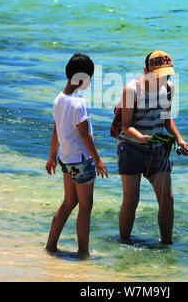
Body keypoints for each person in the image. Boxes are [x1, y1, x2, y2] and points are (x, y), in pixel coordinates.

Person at [117, 50, 188, 245]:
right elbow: (125, 126)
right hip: (131, 148)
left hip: (158, 150)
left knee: (167, 199)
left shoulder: (169, 88)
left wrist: (180, 139)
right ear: (145, 70)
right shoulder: (132, 89)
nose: (162, 79)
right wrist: (142, 137)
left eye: (166, 75)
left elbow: (167, 120)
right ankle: (124, 242)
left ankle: (167, 245)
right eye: (158, 75)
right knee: (132, 199)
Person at [45, 53, 108, 257]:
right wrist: (97, 160)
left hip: (65, 158)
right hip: (80, 161)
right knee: (86, 205)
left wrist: (52, 157)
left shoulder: (58, 99)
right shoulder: (78, 102)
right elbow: (85, 133)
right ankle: (83, 252)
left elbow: (56, 131)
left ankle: (51, 246)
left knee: (69, 202)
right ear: (82, 79)